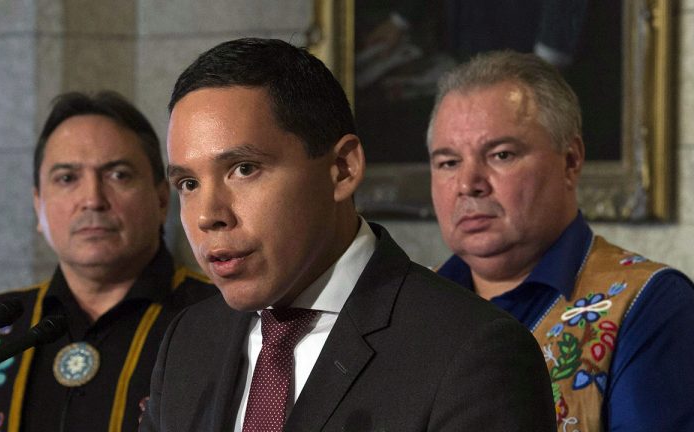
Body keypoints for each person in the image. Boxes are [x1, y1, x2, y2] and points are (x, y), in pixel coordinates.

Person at [139, 37, 555, 432]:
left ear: (342, 168)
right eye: (188, 184)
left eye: (244, 169)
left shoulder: (472, 353)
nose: (209, 215)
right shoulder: (188, 340)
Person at [429, 50, 694, 431]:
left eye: (501, 154)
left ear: (570, 161)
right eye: (448, 162)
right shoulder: (410, 301)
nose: (469, 184)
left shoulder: (649, 305)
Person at [0, 91, 218, 432]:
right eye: (67, 178)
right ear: (39, 206)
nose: (92, 199)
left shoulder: (218, 316)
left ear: (160, 200)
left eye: (118, 175)